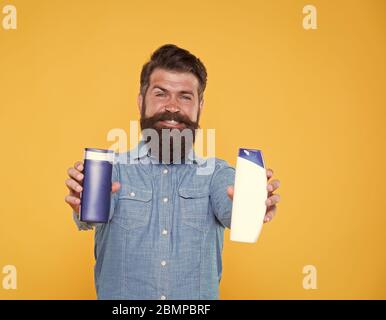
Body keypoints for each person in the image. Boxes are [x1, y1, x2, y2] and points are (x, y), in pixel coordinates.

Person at [64, 44, 281, 299]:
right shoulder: (111, 171)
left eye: (185, 96)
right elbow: (90, 215)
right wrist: (83, 200)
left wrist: (251, 206)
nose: (173, 106)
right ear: (140, 101)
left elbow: (233, 209)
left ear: (200, 105)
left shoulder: (217, 174)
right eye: (161, 94)